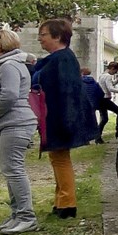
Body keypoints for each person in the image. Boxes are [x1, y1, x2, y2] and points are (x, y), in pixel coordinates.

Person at [30, 19, 102, 220]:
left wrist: (67, 122)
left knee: (60, 159)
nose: (40, 39)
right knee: (57, 158)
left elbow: (68, 92)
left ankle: (68, 204)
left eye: (43, 34)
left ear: (57, 36)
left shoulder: (63, 59)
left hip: (61, 117)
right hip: (55, 116)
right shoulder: (58, 58)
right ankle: (61, 201)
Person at [0, 25, 38, 234]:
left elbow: (10, 95)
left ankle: (26, 217)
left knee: (14, 170)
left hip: (16, 123)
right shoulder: (7, 64)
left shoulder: (9, 66)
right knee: (10, 169)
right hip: (10, 123)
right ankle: (17, 215)